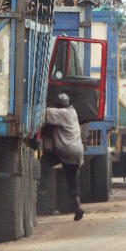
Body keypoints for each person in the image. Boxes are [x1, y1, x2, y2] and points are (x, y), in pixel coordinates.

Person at [46, 93, 85, 221]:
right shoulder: (73, 113)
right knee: (72, 180)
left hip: (65, 151)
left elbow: (45, 112)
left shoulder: (61, 114)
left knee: (44, 162)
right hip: (77, 151)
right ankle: (77, 207)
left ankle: (42, 188)